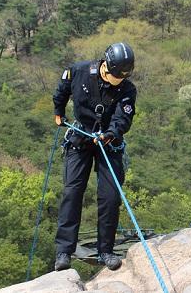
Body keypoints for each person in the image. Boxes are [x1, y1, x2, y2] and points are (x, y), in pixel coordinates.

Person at [52, 42, 137, 271]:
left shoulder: (127, 89)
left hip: (109, 142)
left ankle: (106, 251)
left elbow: (123, 119)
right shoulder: (79, 71)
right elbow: (62, 88)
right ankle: (63, 251)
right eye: (115, 77)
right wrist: (59, 112)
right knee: (72, 192)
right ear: (105, 67)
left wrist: (111, 134)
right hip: (81, 137)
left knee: (110, 197)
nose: (118, 82)